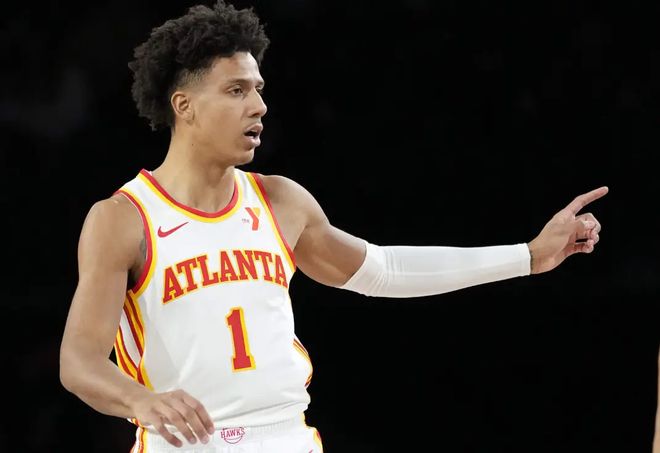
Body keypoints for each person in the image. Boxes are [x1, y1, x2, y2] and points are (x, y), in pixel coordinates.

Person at [58, 1, 608, 452]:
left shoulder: (279, 201)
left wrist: (527, 255)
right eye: (237, 90)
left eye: (259, 88)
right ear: (184, 105)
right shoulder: (124, 218)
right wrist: (141, 400)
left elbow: (384, 269)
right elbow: (79, 362)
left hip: (287, 438)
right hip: (185, 445)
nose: (260, 106)